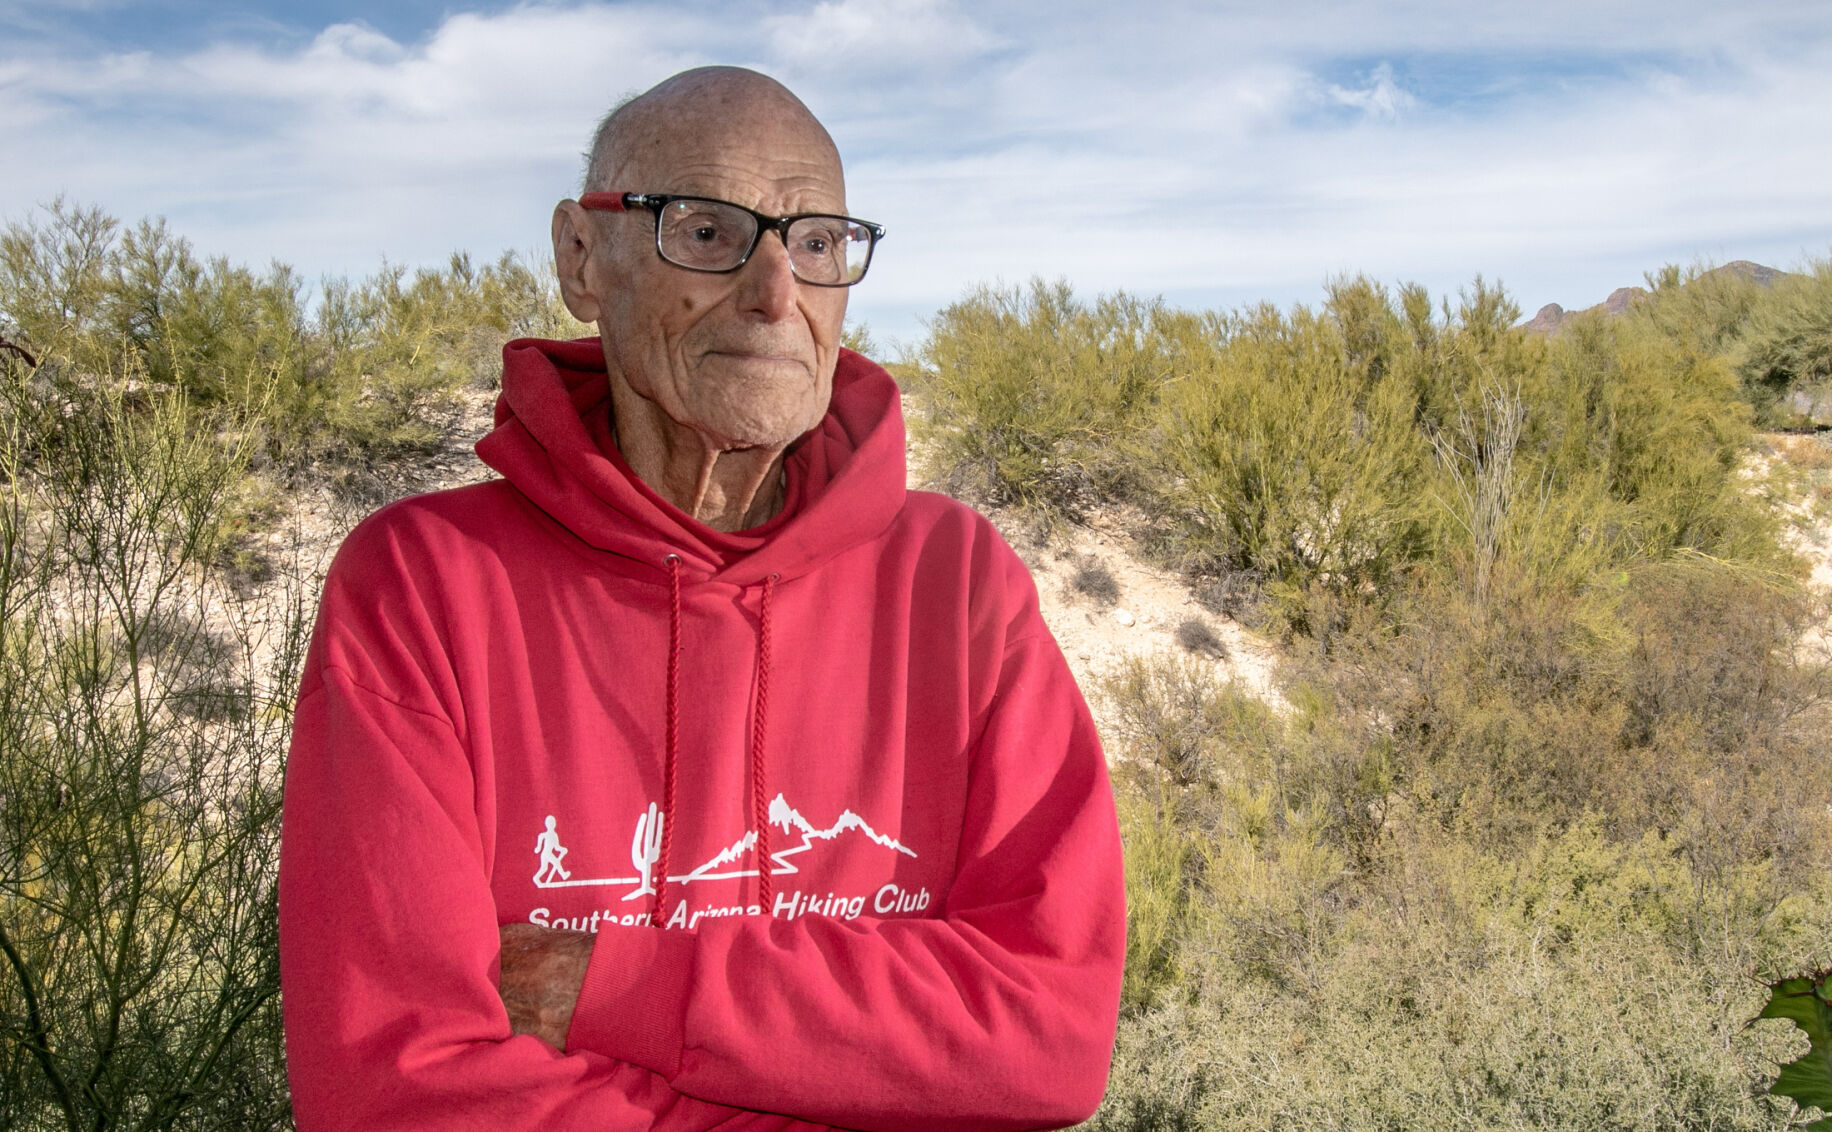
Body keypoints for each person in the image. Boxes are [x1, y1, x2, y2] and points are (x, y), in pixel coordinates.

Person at [277, 66, 1125, 1129]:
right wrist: (874, 1067)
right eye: (708, 231)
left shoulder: (953, 585)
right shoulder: (424, 585)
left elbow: (1047, 1036)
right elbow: (395, 1092)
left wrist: (615, 986)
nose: (776, 293)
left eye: (815, 242)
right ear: (582, 260)